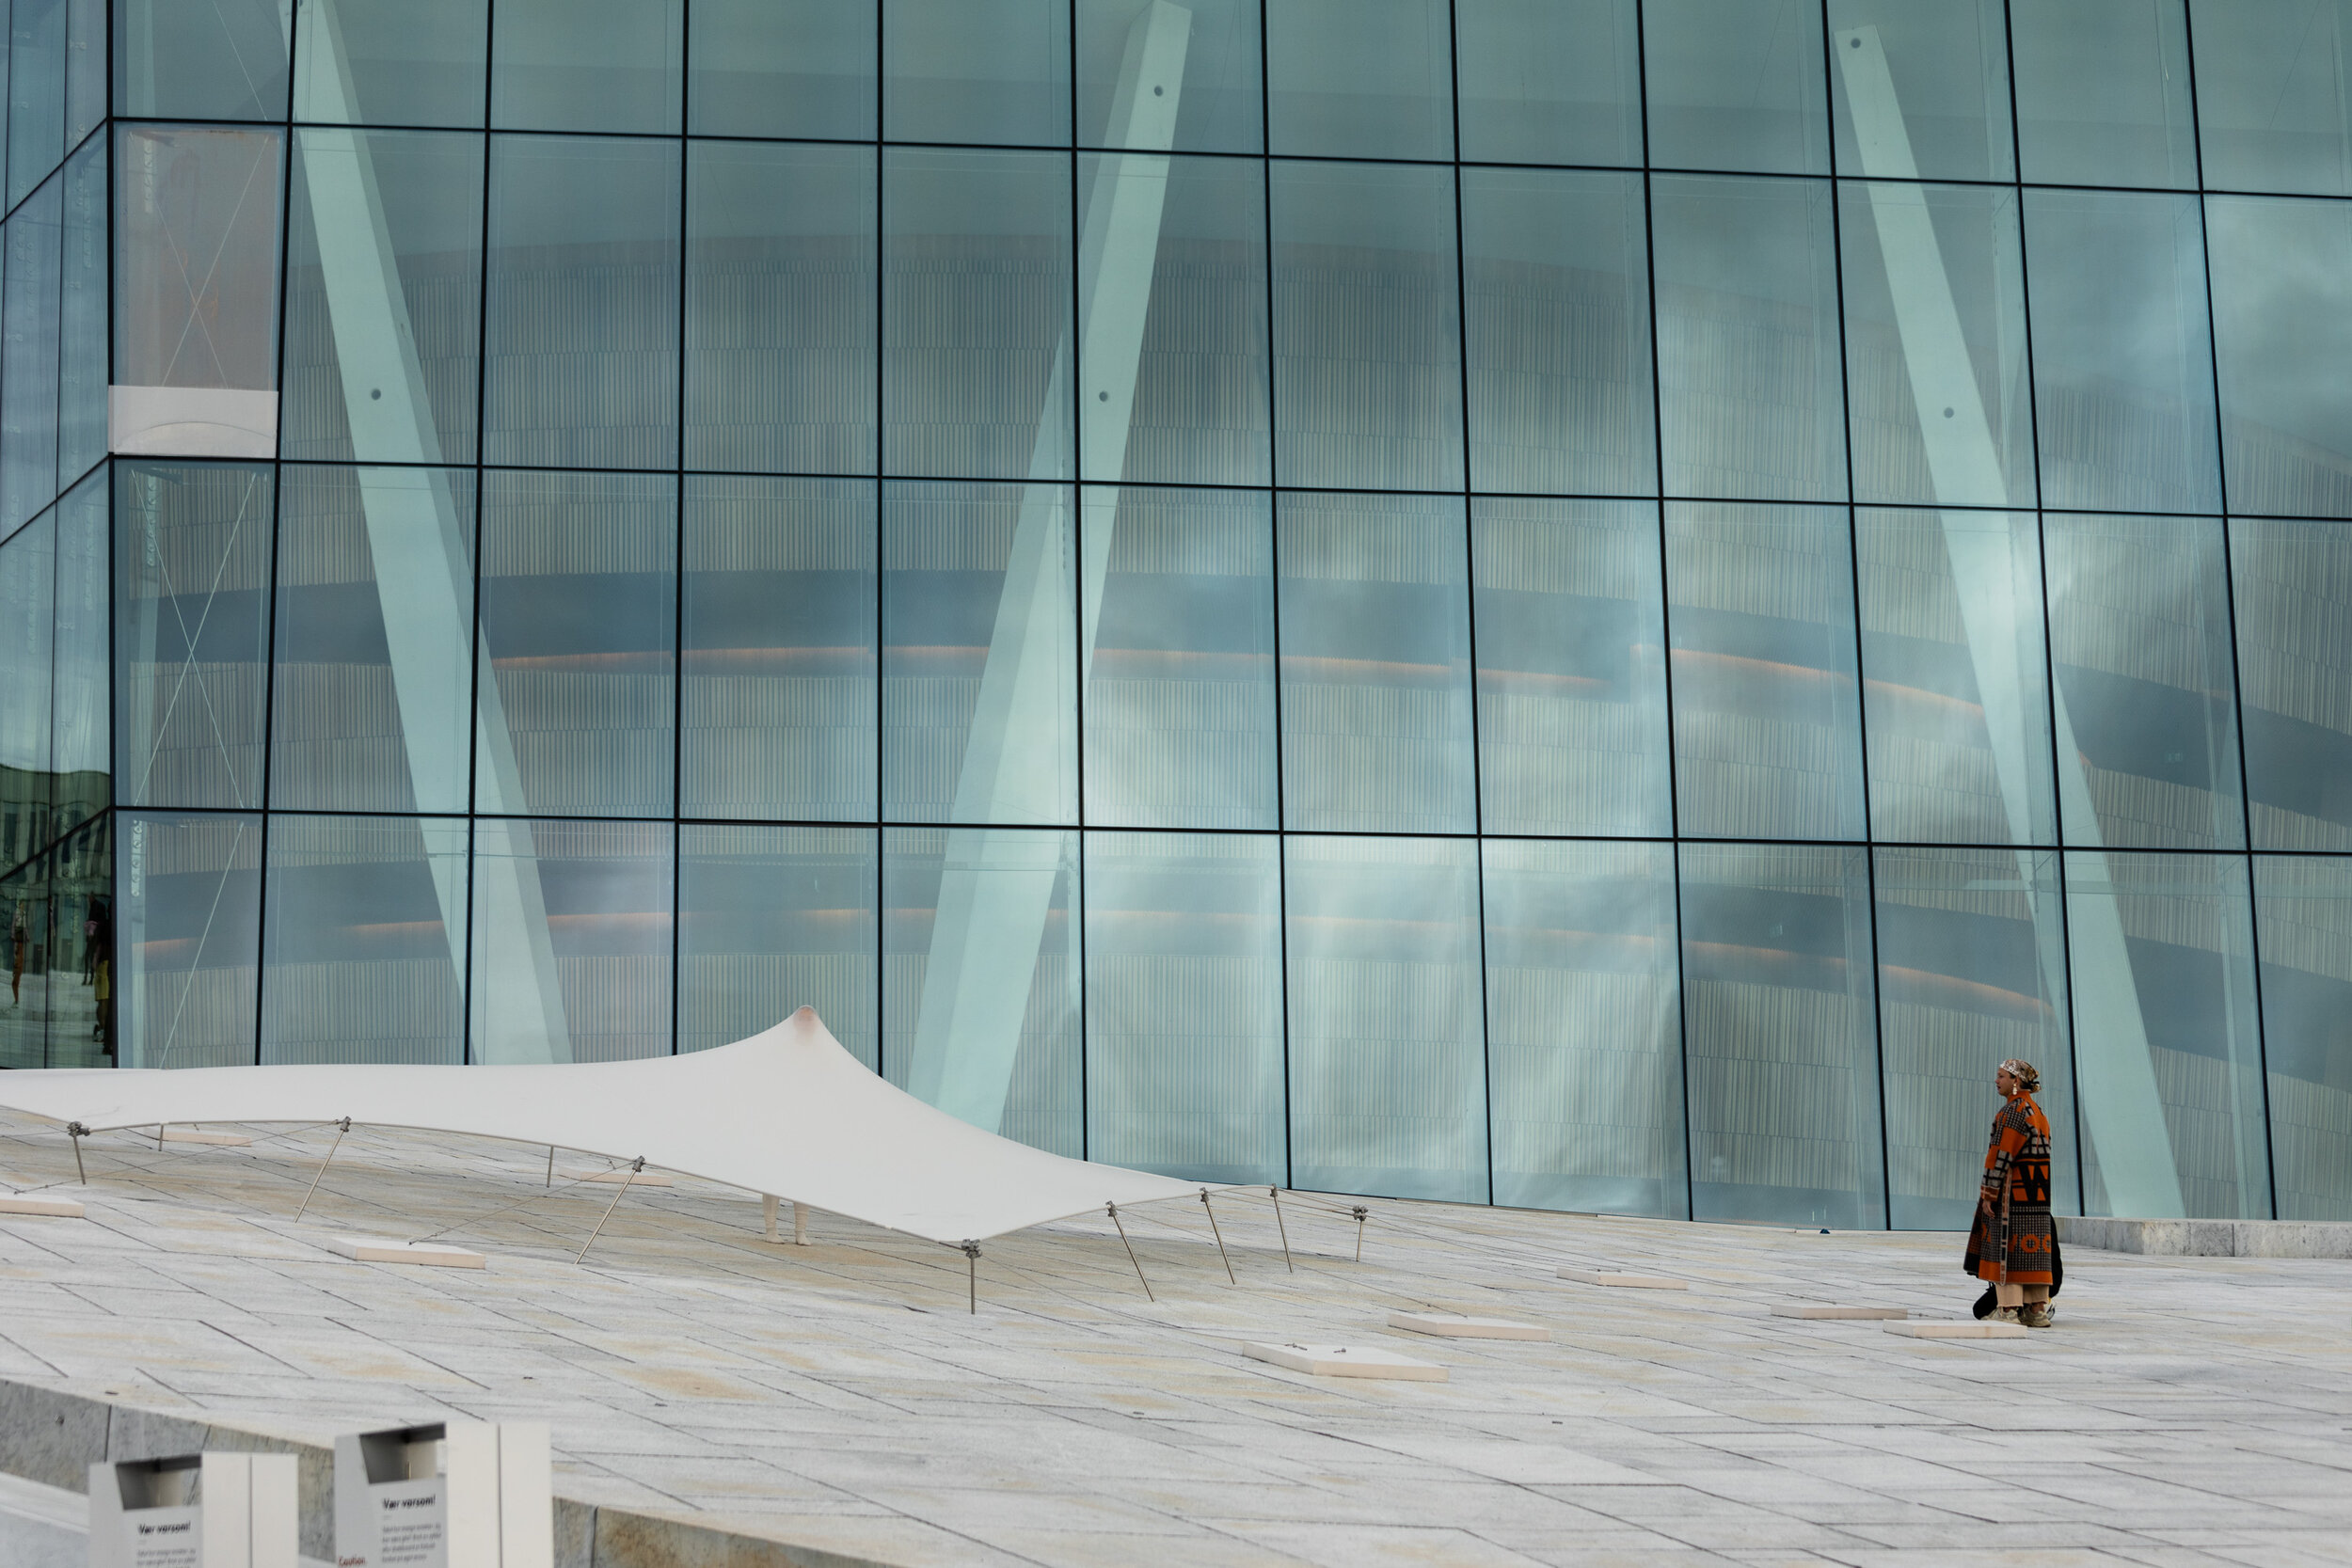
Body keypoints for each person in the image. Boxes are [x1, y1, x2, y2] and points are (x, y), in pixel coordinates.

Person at [1964, 1058, 2059, 1326]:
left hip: (2012, 1197)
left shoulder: (2012, 1112)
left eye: (2001, 1076)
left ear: (2016, 1081)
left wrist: (1989, 1193)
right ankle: (2036, 1310)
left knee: (2008, 1251)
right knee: (2033, 1254)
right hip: (2037, 1199)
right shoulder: (2037, 1112)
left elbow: (2000, 1155)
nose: (1996, 1081)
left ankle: (2007, 1310)